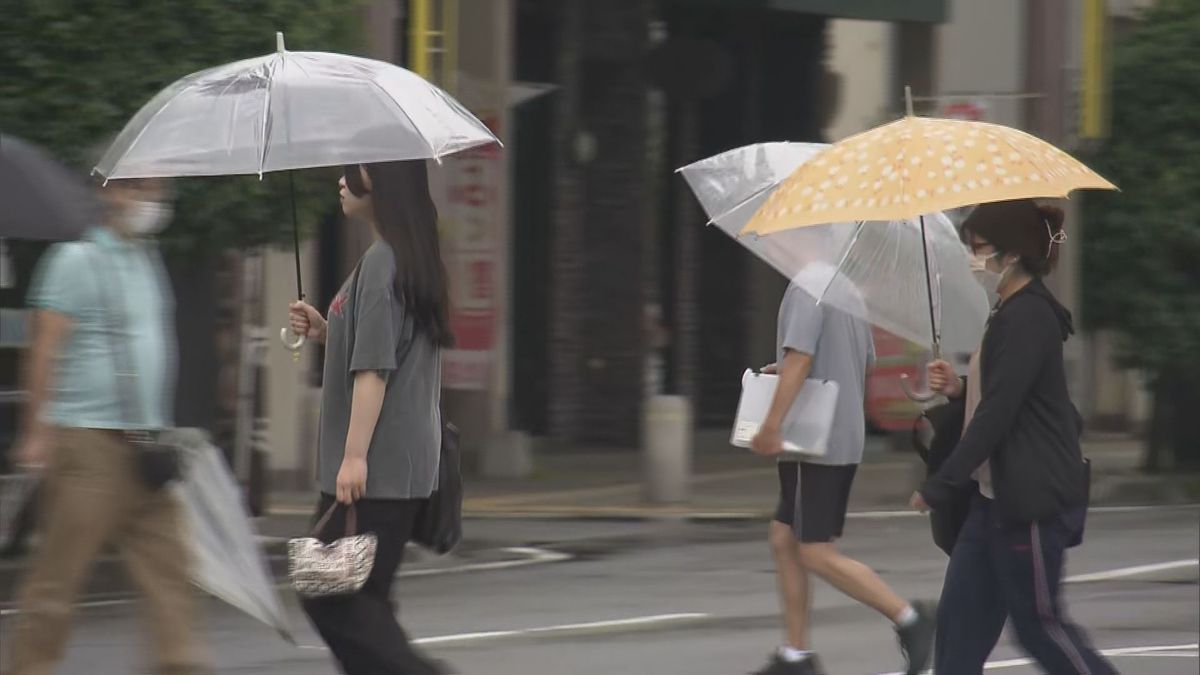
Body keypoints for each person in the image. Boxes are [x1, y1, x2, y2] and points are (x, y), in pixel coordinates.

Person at [3, 176, 210, 675]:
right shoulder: (75, 261)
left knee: (172, 573)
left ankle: (181, 665)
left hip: (145, 446)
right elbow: (45, 348)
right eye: (141, 188)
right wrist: (36, 431)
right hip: (87, 444)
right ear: (111, 191)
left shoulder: (147, 258)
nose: (152, 201)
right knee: (59, 577)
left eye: (160, 191)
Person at [914, 199, 1115, 674]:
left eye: (980, 248)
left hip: (1029, 502)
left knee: (1040, 627)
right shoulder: (1006, 311)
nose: (973, 259)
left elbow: (1000, 413)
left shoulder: (1030, 316)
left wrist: (941, 482)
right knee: (958, 635)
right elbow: (1001, 395)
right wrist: (961, 387)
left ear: (1012, 254)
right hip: (989, 506)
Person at [287, 160, 452, 675]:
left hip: (374, 467)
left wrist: (353, 457)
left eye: (354, 171)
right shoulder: (405, 257)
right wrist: (324, 330)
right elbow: (387, 349)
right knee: (364, 599)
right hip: (400, 463)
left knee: (329, 594)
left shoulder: (383, 262)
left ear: (383, 184)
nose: (341, 180)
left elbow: (375, 370)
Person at [750, 262, 935, 675]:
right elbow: (860, 360)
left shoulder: (807, 286)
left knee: (814, 552)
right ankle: (795, 656)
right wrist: (791, 372)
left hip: (814, 443)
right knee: (784, 538)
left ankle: (911, 619)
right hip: (841, 434)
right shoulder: (844, 289)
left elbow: (800, 358)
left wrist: (771, 425)